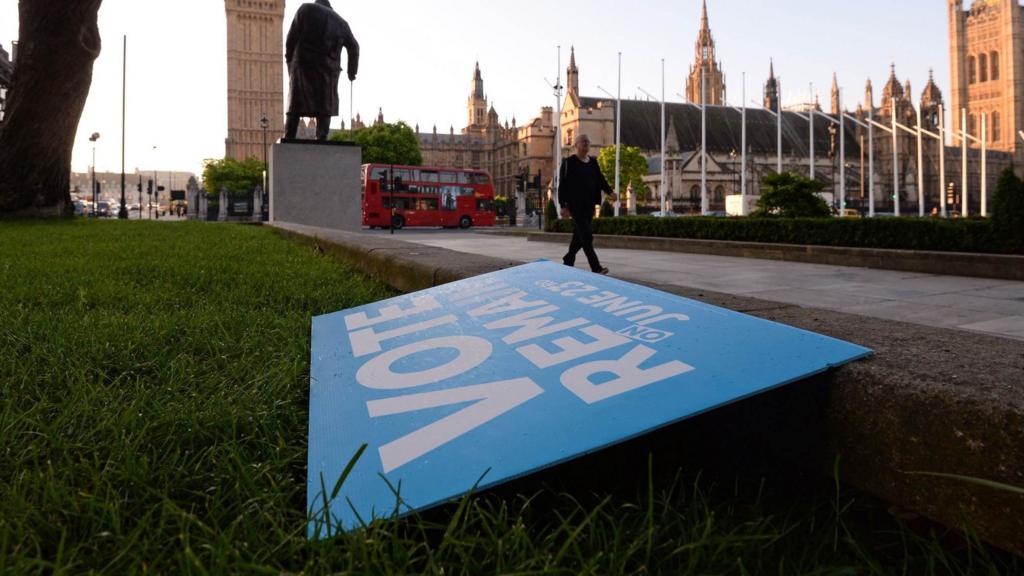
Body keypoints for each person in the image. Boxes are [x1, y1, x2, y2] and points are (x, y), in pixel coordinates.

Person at [284, 0, 360, 141]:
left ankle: (289, 137)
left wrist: (289, 60)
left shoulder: (305, 9)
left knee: (295, 104)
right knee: (325, 107)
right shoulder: (342, 23)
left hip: (303, 65)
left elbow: (290, 39)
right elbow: (354, 47)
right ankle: (322, 138)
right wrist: (352, 71)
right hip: (328, 70)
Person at [558, 134, 618, 274]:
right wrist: (563, 205)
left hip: (589, 204)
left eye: (587, 141)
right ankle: (596, 268)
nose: (586, 143)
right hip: (575, 205)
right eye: (583, 141)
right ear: (576, 145)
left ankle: (568, 259)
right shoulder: (568, 162)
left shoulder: (593, 162)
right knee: (587, 236)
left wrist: (610, 192)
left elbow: (600, 179)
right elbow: (563, 185)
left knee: (579, 235)